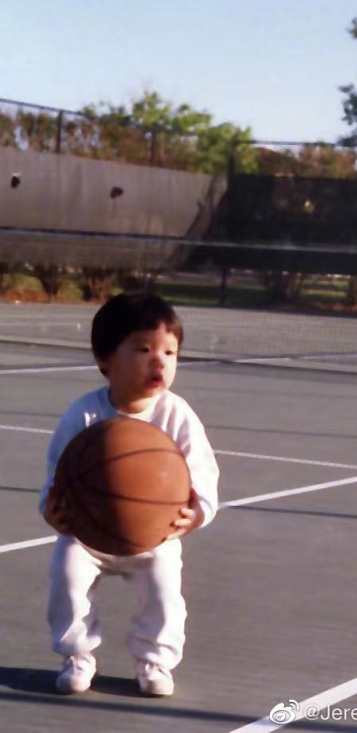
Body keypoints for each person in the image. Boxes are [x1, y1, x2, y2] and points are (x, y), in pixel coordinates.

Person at [39, 291, 220, 697]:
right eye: (143, 349)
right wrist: (53, 511)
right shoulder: (83, 413)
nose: (160, 361)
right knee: (66, 576)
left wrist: (198, 511)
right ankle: (76, 655)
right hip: (87, 532)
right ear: (105, 358)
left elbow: (203, 472)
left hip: (155, 532)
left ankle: (155, 660)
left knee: (164, 590)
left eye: (170, 352)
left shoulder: (177, 414)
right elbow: (57, 473)